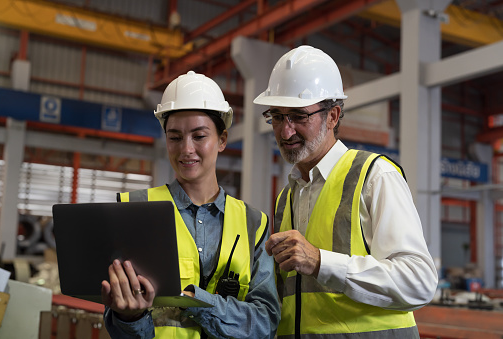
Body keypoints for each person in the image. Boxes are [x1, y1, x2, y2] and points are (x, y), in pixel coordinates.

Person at [254, 46, 438, 338]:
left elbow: (419, 282)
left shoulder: (375, 176)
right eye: (277, 117)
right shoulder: (286, 197)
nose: (285, 132)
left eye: (299, 117)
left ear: (333, 116)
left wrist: (321, 262)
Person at [102, 71, 280, 338]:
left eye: (199, 136)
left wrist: (195, 300)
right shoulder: (134, 210)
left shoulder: (253, 223)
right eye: (175, 137)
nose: (186, 149)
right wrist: (130, 316)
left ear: (221, 140)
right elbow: (118, 326)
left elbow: (264, 322)